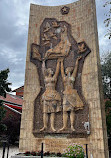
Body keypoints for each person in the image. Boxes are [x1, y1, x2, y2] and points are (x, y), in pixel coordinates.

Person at [59, 56, 84, 131]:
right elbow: (61, 70)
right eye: (66, 69)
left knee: (72, 110)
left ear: (69, 70)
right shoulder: (64, 77)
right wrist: (61, 62)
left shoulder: (72, 76)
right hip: (66, 94)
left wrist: (76, 60)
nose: (66, 70)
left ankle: (72, 126)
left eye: (67, 69)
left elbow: (76, 69)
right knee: (64, 111)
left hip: (72, 94)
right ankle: (64, 126)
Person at [40, 59, 61, 132]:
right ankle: (45, 126)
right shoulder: (46, 77)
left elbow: (57, 71)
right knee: (45, 112)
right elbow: (43, 70)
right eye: (51, 70)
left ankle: (52, 126)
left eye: (52, 70)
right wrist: (43, 62)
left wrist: (58, 62)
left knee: (52, 112)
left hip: (53, 95)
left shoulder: (54, 77)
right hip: (46, 94)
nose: (52, 71)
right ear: (48, 71)